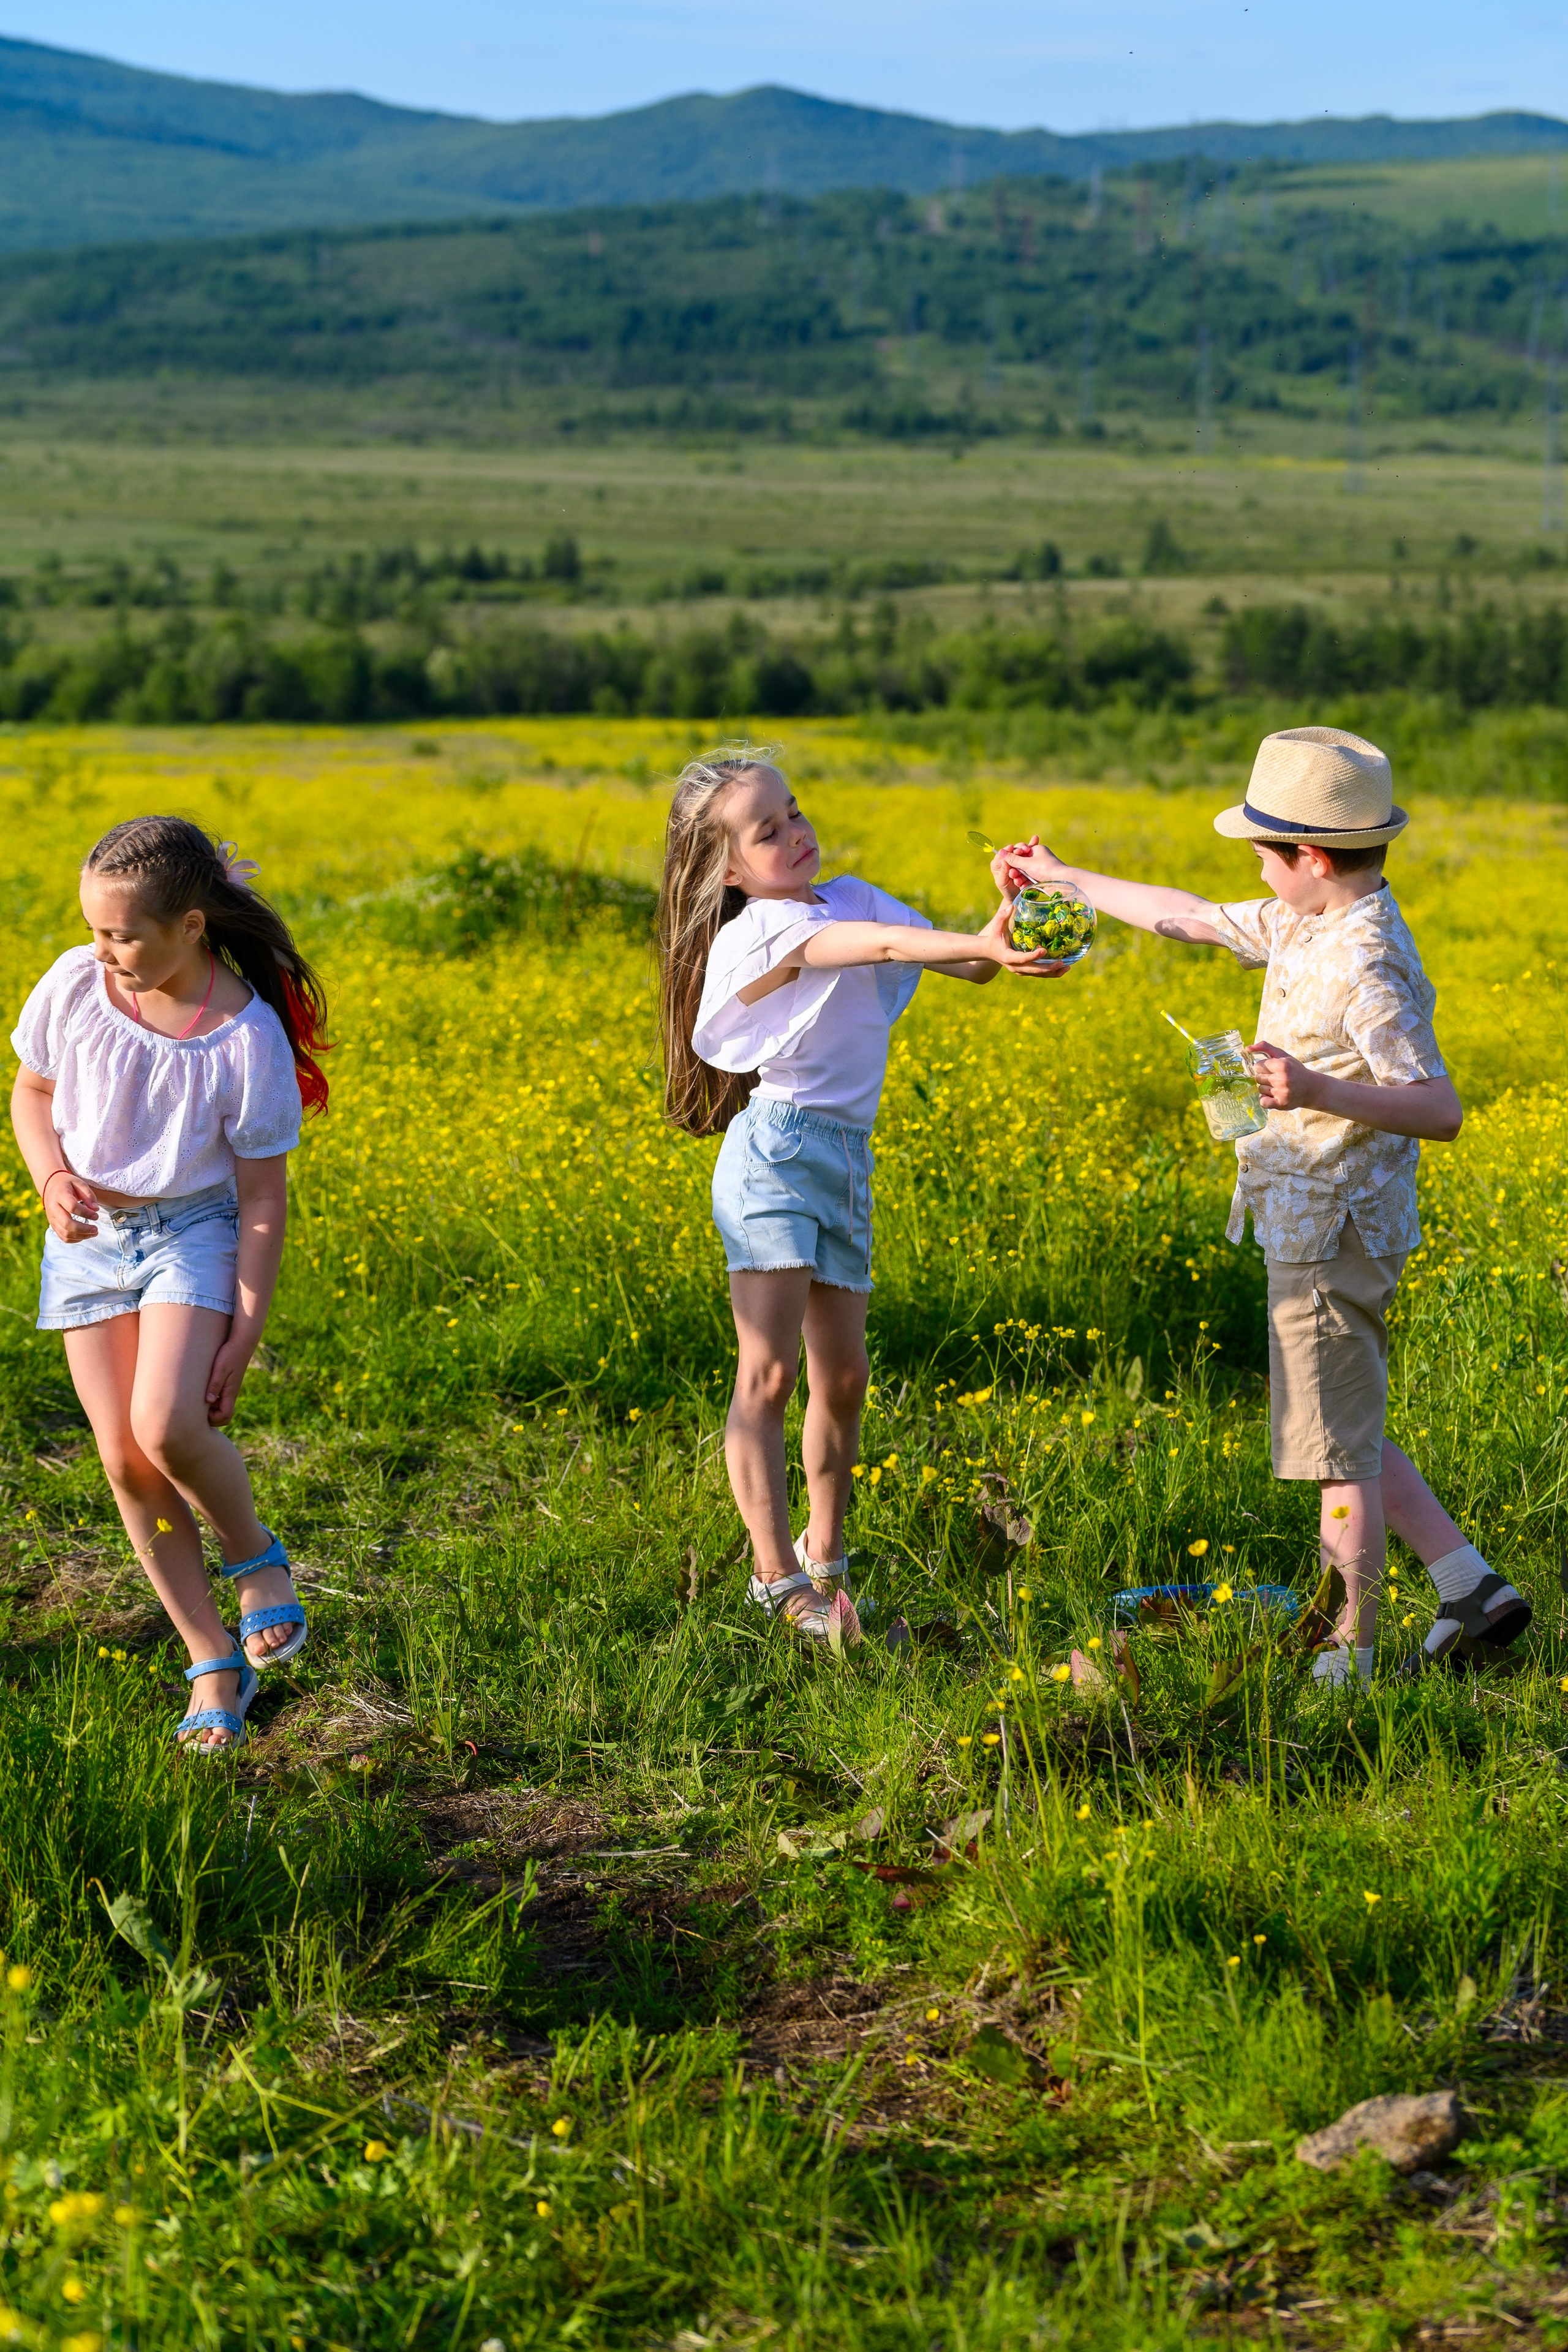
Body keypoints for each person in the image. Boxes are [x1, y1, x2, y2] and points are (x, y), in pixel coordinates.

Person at [994, 724, 1528, 1684]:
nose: (1252, 870)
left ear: (1312, 857)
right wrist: (1066, 878)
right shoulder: (1306, 919)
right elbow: (1188, 915)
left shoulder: (1366, 962)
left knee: (1338, 1457)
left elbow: (1439, 1109)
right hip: (1310, 1221)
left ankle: (1348, 1652)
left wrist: (1313, 1089)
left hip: (1338, 1228)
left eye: (1262, 855)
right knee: (1345, 1426)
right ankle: (1469, 1587)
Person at [657, 748, 1062, 1644]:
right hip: (775, 1156)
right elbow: (871, 948)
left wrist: (1011, 912)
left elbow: (973, 967)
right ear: (728, 868)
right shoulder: (757, 931)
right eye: (769, 832)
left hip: (844, 1159)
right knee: (767, 1373)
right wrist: (973, 941)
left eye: (794, 813)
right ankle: (775, 1578)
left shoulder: (855, 893)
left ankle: (827, 1562)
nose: (797, 835)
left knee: (843, 1377)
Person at [9, 815, 329, 1751]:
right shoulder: (76, 982)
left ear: (191, 926)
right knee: (122, 1460)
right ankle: (210, 1660)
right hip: (89, 1238)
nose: (103, 953)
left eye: (124, 935)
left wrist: (245, 1328)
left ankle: (254, 1557)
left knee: (169, 1426)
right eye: (95, 930)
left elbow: (263, 1198)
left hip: (193, 1232)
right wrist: (50, 1176)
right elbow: (32, 1094)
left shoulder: (245, 1036)